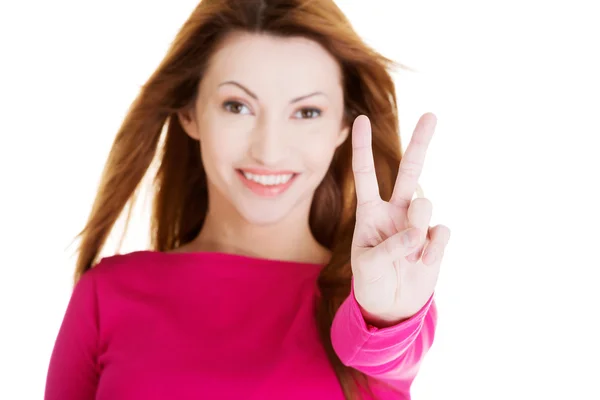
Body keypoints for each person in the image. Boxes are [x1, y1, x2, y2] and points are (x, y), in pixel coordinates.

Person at [44, 0, 451, 399]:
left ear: (344, 125)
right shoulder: (106, 295)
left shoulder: (373, 299)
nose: (269, 151)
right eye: (237, 106)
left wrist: (385, 318)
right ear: (190, 113)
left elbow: (379, 350)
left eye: (307, 112)